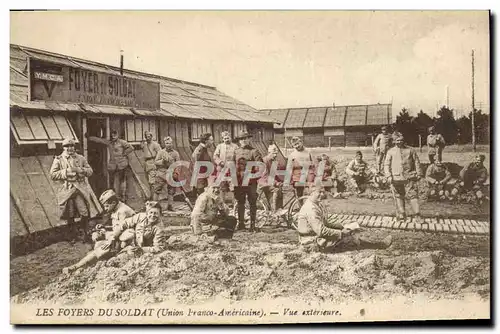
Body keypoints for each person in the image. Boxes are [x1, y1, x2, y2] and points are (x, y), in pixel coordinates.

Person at [61, 201, 166, 274]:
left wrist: (142, 249)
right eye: (151, 213)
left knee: (116, 260)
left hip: (136, 250)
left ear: (160, 214)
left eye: (156, 213)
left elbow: (159, 248)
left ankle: (102, 263)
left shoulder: (159, 228)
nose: (153, 216)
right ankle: (76, 266)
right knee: (103, 247)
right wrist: (113, 238)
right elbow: (123, 224)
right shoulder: (141, 217)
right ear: (147, 213)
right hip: (128, 241)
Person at [297, 186, 392, 252]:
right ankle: (379, 245)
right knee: (349, 239)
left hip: (316, 238)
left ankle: (376, 244)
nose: (322, 194)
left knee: (349, 233)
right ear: (311, 193)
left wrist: (343, 226)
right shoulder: (311, 209)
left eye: (323, 192)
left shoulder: (316, 205)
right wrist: (341, 233)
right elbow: (321, 231)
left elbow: (325, 223)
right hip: (312, 242)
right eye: (319, 192)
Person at [49, 138, 100, 242]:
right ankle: (72, 236)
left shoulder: (80, 158)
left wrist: (81, 170)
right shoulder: (59, 159)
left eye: (71, 146)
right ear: (63, 148)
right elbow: (53, 175)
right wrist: (66, 172)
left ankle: (85, 233)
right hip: (67, 189)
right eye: (67, 146)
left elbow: (90, 171)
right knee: (70, 213)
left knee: (84, 211)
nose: (69, 148)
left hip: (80, 188)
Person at [384, 133, 423, 222]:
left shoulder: (410, 150)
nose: (400, 142)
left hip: (410, 177)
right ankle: (402, 214)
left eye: (401, 140)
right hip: (396, 178)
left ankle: (417, 215)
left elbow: (416, 162)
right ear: (394, 141)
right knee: (399, 196)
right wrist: (389, 176)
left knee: (413, 195)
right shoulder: (390, 151)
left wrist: (419, 173)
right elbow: (386, 165)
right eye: (397, 140)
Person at [87, 130, 134, 201]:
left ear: (117, 135)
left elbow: (131, 148)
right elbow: (100, 140)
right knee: (114, 182)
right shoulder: (110, 143)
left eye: (115, 135)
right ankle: (116, 197)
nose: (113, 137)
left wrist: (124, 153)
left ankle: (122, 197)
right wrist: (90, 137)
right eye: (112, 136)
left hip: (122, 165)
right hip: (113, 166)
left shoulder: (122, 142)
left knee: (121, 182)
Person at [233, 131, 263, 232]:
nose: (244, 140)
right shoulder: (236, 152)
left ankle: (252, 225)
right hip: (239, 182)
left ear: (249, 139)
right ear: (239, 141)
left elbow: (261, 167)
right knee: (240, 202)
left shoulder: (254, 151)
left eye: (246, 138)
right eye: (242, 139)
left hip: (251, 182)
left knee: (252, 203)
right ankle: (241, 224)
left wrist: (254, 177)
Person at [154, 136, 180, 211]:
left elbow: (178, 164)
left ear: (172, 143)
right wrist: (162, 161)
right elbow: (156, 162)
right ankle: (155, 206)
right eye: (167, 143)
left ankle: (170, 205)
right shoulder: (161, 152)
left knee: (171, 190)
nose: (168, 144)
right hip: (161, 173)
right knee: (157, 190)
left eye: (170, 143)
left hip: (171, 174)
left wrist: (176, 173)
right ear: (164, 144)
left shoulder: (175, 153)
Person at [213, 131, 238, 203]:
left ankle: (235, 203)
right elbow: (215, 156)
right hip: (222, 169)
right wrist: (220, 162)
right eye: (225, 138)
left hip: (232, 169)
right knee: (222, 186)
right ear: (223, 139)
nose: (227, 139)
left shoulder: (235, 146)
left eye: (228, 138)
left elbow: (238, 156)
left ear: (230, 138)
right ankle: (222, 203)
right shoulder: (219, 146)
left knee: (233, 186)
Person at [287, 136, 314, 201]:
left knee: (311, 192)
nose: (297, 146)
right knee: (299, 194)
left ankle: (310, 207)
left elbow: (313, 164)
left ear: (301, 142)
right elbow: (289, 169)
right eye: (294, 145)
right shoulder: (292, 155)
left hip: (308, 175)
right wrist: (289, 181)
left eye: (297, 144)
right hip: (297, 177)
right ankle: (301, 208)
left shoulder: (308, 152)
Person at [259, 144, 284, 212]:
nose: (275, 155)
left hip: (270, 182)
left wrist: (281, 181)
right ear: (269, 153)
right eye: (273, 153)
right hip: (263, 182)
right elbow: (265, 176)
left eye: (276, 154)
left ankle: (279, 209)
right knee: (275, 190)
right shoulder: (264, 161)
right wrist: (276, 183)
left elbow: (274, 175)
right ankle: (274, 211)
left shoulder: (274, 161)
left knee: (280, 190)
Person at [140, 131, 162, 200]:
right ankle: (151, 197)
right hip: (146, 164)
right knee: (149, 182)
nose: (148, 138)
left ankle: (153, 199)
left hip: (153, 162)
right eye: (146, 136)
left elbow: (160, 154)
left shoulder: (155, 145)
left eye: (149, 136)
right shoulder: (145, 145)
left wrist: (157, 162)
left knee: (153, 182)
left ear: (152, 137)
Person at [192, 133, 215, 197]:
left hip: (205, 176)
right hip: (201, 177)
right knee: (202, 196)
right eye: (211, 140)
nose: (212, 142)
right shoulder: (199, 150)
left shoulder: (205, 149)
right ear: (206, 141)